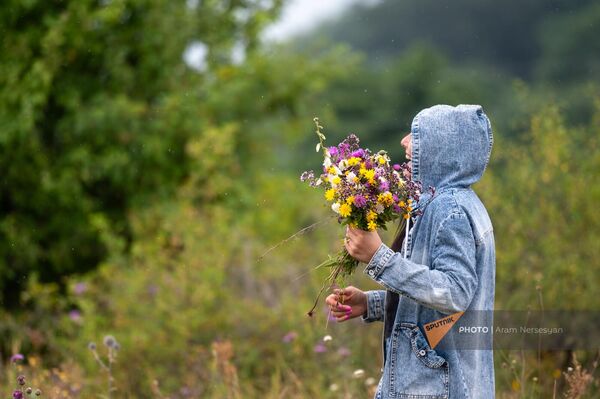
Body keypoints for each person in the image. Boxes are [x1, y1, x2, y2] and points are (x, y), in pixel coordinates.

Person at [326, 104, 495, 398]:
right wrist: (372, 303)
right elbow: (438, 297)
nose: (405, 141)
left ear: (443, 148)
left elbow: (454, 292)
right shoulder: (455, 203)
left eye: (417, 136)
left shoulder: (449, 209)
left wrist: (379, 258)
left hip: (437, 388)